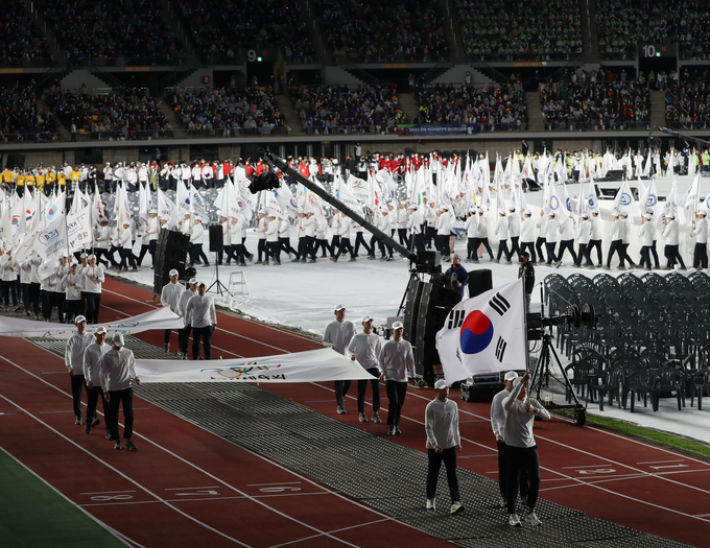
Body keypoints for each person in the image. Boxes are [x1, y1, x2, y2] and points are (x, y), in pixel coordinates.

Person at [503, 371, 550, 527]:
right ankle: (512, 514)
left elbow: (547, 416)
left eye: (525, 387)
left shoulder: (532, 403)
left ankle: (530, 512)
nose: (524, 390)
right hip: (513, 448)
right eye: (521, 387)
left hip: (530, 447)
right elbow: (510, 400)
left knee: (535, 478)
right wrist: (521, 381)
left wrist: (534, 410)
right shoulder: (508, 403)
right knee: (512, 481)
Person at [425, 379, 464, 515]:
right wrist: (435, 445)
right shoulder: (431, 407)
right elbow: (428, 427)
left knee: (452, 474)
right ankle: (430, 498)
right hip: (434, 448)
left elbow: (455, 424)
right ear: (436, 391)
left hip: (450, 445)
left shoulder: (453, 405)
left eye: (447, 388)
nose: (446, 391)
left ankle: (455, 502)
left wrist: (457, 441)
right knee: (433, 474)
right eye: (442, 389)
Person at [490, 371, 525, 510]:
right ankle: (504, 495)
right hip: (504, 438)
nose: (513, 383)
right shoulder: (499, 397)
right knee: (505, 468)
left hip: (518, 438)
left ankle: (523, 497)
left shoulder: (521, 396)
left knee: (522, 469)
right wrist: (497, 434)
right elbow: (495, 417)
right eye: (510, 381)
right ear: (505, 382)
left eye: (515, 380)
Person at [100, 333, 140, 451]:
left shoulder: (128, 353)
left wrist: (136, 377)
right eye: (117, 345)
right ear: (112, 343)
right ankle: (117, 440)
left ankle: (128, 439)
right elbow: (103, 375)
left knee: (129, 414)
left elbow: (132, 367)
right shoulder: (106, 356)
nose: (119, 347)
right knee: (113, 416)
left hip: (127, 387)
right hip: (113, 389)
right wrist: (105, 390)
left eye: (121, 345)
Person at [379, 321, 416, 435]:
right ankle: (391, 425)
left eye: (401, 329)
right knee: (393, 401)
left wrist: (413, 376)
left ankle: (396, 424)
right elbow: (380, 359)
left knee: (399, 403)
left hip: (402, 378)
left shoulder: (406, 345)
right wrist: (382, 372)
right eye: (397, 329)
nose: (400, 331)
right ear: (392, 331)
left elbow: (410, 361)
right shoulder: (387, 345)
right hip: (390, 377)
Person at [347, 315, 382, 424]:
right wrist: (351, 355)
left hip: (373, 366)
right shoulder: (357, 337)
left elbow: (379, 353)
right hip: (361, 367)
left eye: (371, 321)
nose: (369, 323)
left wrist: (381, 368)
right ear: (363, 324)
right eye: (367, 322)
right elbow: (349, 349)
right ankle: (362, 412)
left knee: (377, 389)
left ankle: (375, 412)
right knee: (361, 390)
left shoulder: (376, 337)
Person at [323, 304, 357, 414]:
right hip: (336, 358)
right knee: (338, 382)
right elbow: (324, 341)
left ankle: (340, 395)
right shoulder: (330, 326)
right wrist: (330, 345)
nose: (342, 312)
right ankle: (340, 405)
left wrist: (354, 352)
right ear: (335, 313)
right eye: (340, 311)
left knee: (348, 381)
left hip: (347, 357)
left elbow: (354, 340)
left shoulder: (351, 325)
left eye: (343, 310)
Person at [64, 315, 95, 426]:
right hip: (76, 371)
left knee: (92, 396)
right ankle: (78, 415)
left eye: (84, 322)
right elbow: (67, 353)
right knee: (77, 396)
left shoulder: (91, 337)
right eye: (80, 323)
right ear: (76, 325)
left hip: (88, 373)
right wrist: (69, 366)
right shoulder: (73, 339)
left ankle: (93, 416)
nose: (83, 325)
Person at [83, 326, 110, 436]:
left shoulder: (109, 349)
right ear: (95, 335)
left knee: (108, 408)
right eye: (100, 334)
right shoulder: (90, 349)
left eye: (104, 334)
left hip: (106, 385)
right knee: (91, 405)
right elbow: (86, 366)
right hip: (94, 383)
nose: (102, 336)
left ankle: (109, 428)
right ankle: (88, 424)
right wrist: (88, 380)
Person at [184, 281, 217, 360]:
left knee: (207, 343)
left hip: (207, 325)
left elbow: (213, 311)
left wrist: (215, 323)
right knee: (196, 343)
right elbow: (187, 311)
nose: (201, 288)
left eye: (203, 287)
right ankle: (196, 358)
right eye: (200, 287)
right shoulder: (192, 299)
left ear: (205, 288)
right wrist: (186, 323)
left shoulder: (210, 298)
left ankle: (208, 359)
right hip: (196, 325)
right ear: (197, 288)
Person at [160, 269, 185, 352]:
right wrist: (166, 305)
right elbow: (162, 299)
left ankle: (181, 348)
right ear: (170, 276)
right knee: (168, 329)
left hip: (179, 312)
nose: (175, 277)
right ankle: (166, 344)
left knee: (181, 331)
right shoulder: (166, 288)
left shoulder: (182, 287)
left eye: (176, 276)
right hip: (170, 311)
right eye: (173, 276)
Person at [178, 278, 198, 358]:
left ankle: (196, 354)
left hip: (196, 320)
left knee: (196, 338)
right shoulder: (185, 294)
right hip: (187, 319)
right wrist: (181, 314)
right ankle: (184, 351)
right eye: (193, 284)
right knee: (185, 336)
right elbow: (180, 305)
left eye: (196, 284)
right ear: (190, 284)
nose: (195, 285)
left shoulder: (199, 294)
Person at [82, 254, 104, 324]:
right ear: (89, 261)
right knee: (92, 307)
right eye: (91, 260)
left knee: (97, 309)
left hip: (98, 292)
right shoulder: (87, 269)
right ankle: (89, 321)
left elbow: (102, 279)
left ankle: (95, 323)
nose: (93, 261)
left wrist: (97, 277)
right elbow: (85, 274)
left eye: (94, 259)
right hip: (90, 291)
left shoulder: (99, 269)